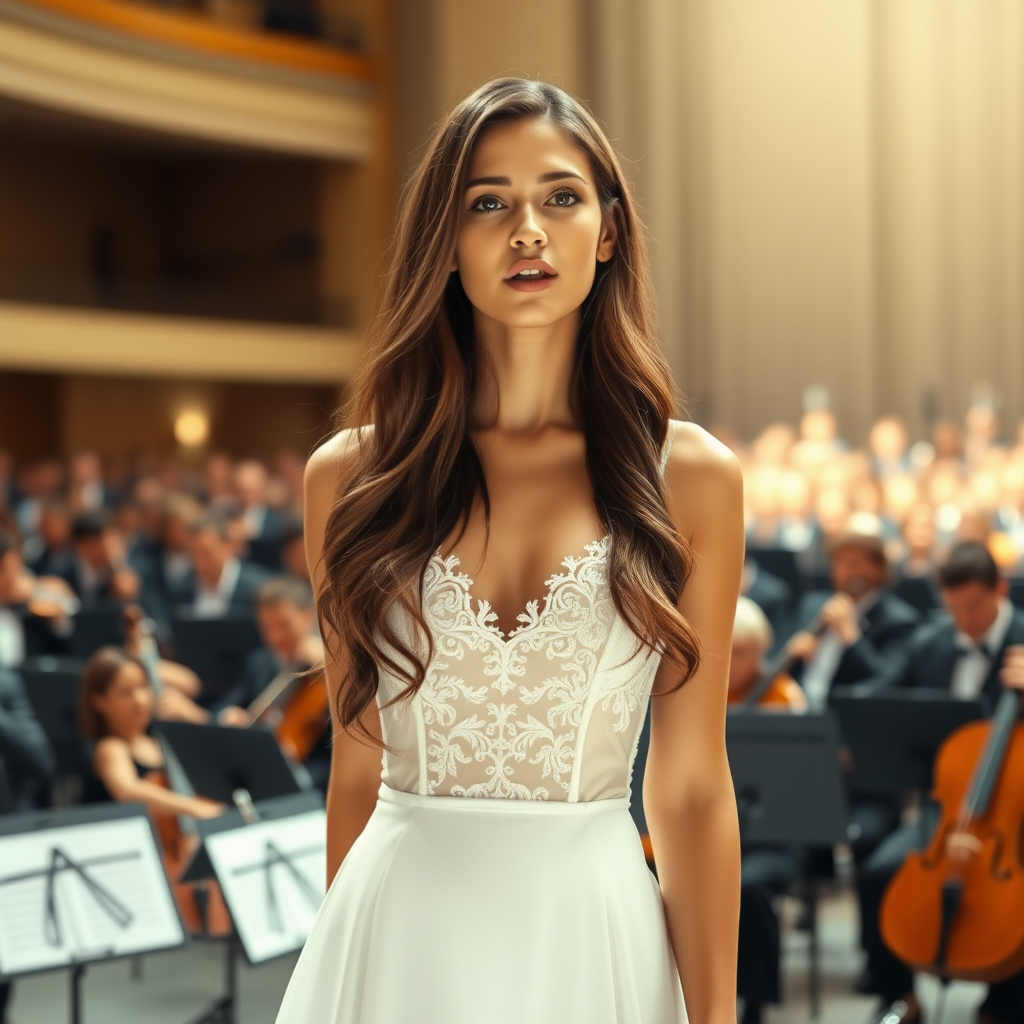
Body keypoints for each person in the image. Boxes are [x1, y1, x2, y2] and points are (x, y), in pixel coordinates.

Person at [274, 78, 744, 1024]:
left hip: (589, 938)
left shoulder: (690, 476)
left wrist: (715, 1017)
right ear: (447, 242)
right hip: (394, 934)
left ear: (607, 231)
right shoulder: (349, 479)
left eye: (560, 197)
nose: (527, 229)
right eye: (488, 203)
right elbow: (357, 768)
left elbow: (690, 788)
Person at [860, 541, 1024, 1024]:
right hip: (948, 811)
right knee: (878, 872)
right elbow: (878, 698)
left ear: (998, 589)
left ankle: (1006, 1005)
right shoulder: (930, 642)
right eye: (952, 609)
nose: (964, 621)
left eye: (973, 606)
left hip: (1015, 818)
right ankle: (899, 997)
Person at [727, 597, 805, 1024]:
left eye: (741, 653)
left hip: (772, 836)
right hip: (713, 835)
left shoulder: (785, 697)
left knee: (748, 888)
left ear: (761, 652)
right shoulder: (696, 691)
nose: (731, 664)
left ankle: (753, 1003)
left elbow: (797, 788)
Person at [167, 513, 269, 618]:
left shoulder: (257, 589)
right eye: (193, 554)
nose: (200, 563)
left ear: (228, 546)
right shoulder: (180, 590)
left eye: (207, 553)